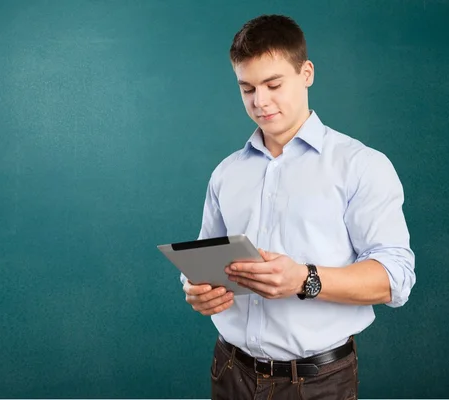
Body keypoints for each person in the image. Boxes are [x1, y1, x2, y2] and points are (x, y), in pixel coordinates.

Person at [180, 14, 416, 400]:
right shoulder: (226, 173)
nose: (261, 101)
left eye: (274, 84)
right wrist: (196, 289)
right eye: (247, 88)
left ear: (306, 73)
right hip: (229, 371)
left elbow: (396, 276)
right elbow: (204, 258)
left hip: (318, 382)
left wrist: (304, 279)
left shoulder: (361, 165)